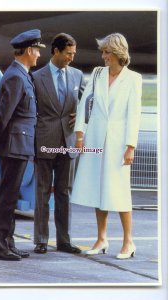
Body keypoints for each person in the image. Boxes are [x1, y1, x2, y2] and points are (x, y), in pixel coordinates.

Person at [70, 33, 142, 259]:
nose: (103, 56)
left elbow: (134, 114)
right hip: (95, 137)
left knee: (119, 190)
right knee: (98, 188)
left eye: (106, 52)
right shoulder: (98, 74)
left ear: (118, 52)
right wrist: (80, 135)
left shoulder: (134, 78)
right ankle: (101, 239)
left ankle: (128, 242)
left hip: (119, 142)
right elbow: (84, 104)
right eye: (103, 52)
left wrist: (131, 146)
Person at [0, 29, 45, 261]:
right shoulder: (15, 76)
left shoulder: (21, 75)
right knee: (7, 198)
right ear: (29, 50)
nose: (39, 56)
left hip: (19, 144)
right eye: (37, 51)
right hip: (13, 145)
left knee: (10, 197)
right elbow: (4, 114)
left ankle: (7, 243)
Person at [33, 33, 85, 254]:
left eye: (74, 54)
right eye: (68, 54)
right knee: (42, 192)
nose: (71, 58)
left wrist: (82, 116)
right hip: (45, 141)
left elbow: (87, 103)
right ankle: (41, 240)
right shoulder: (36, 77)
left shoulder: (77, 75)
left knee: (64, 193)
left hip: (69, 141)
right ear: (56, 51)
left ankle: (64, 241)